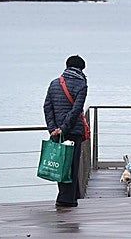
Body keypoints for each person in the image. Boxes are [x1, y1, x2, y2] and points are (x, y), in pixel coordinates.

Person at [43, 55, 88, 207]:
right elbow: (76, 110)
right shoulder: (82, 84)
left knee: (59, 164)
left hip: (57, 132)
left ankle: (71, 195)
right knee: (72, 165)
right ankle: (67, 199)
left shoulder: (55, 83)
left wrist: (53, 129)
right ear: (81, 68)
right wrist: (64, 127)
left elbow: (47, 107)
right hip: (73, 131)